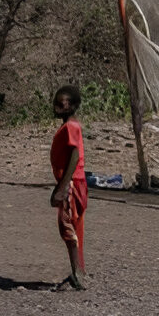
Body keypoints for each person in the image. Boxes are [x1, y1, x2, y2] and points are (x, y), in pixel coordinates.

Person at [50, 86, 88, 290]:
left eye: (62, 102)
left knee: (68, 227)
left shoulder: (71, 127)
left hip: (72, 184)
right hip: (73, 182)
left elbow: (74, 155)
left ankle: (77, 274)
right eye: (56, 101)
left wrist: (63, 187)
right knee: (72, 225)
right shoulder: (69, 126)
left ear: (72, 106)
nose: (57, 105)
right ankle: (78, 271)